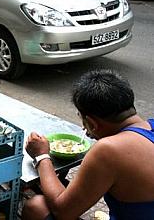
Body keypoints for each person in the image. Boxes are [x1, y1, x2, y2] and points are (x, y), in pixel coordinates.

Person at [23, 69, 154, 220]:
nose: (85, 130)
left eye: (84, 123)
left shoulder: (109, 150)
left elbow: (63, 211)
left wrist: (42, 156)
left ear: (92, 123)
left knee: (36, 207)